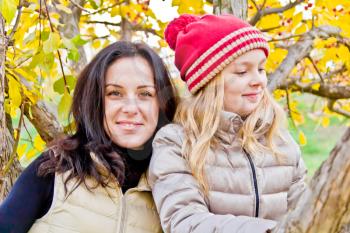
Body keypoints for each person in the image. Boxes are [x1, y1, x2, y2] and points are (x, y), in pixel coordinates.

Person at [148, 14, 307, 233]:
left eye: (261, 69)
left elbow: (308, 210)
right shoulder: (177, 143)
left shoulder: (279, 141)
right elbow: (186, 222)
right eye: (242, 71)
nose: (258, 80)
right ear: (209, 82)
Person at [0, 41, 177, 233]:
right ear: (95, 101)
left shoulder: (172, 187)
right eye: (115, 93)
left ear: (162, 106)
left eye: (145, 94)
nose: (131, 108)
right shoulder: (53, 170)